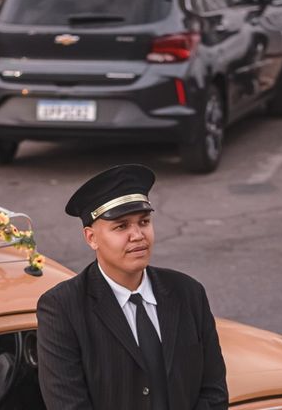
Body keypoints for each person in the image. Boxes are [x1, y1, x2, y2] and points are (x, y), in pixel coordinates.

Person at [36, 164, 229, 410]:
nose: (138, 235)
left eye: (144, 221)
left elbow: (213, 391)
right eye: (121, 226)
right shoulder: (62, 308)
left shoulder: (188, 292)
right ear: (91, 238)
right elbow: (68, 404)